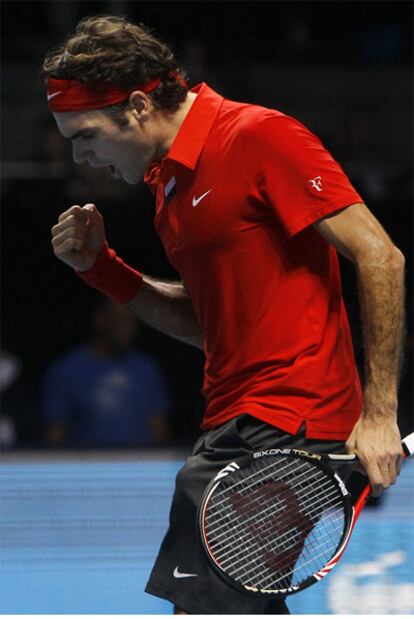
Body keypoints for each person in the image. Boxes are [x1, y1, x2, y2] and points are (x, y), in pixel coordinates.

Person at [41, 15, 405, 615]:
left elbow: (380, 255)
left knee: (213, 610)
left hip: (291, 419)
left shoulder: (258, 136)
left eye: (86, 136)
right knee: (224, 610)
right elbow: (209, 327)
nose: (82, 157)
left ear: (136, 106)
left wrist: (381, 413)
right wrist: (100, 268)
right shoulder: (168, 185)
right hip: (235, 421)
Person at [42, 297, 171, 449]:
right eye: (121, 321)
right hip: (87, 466)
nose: (128, 329)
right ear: (100, 320)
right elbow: (55, 433)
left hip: (139, 464)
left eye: (132, 322)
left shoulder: (146, 368)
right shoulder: (66, 370)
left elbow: (159, 427)